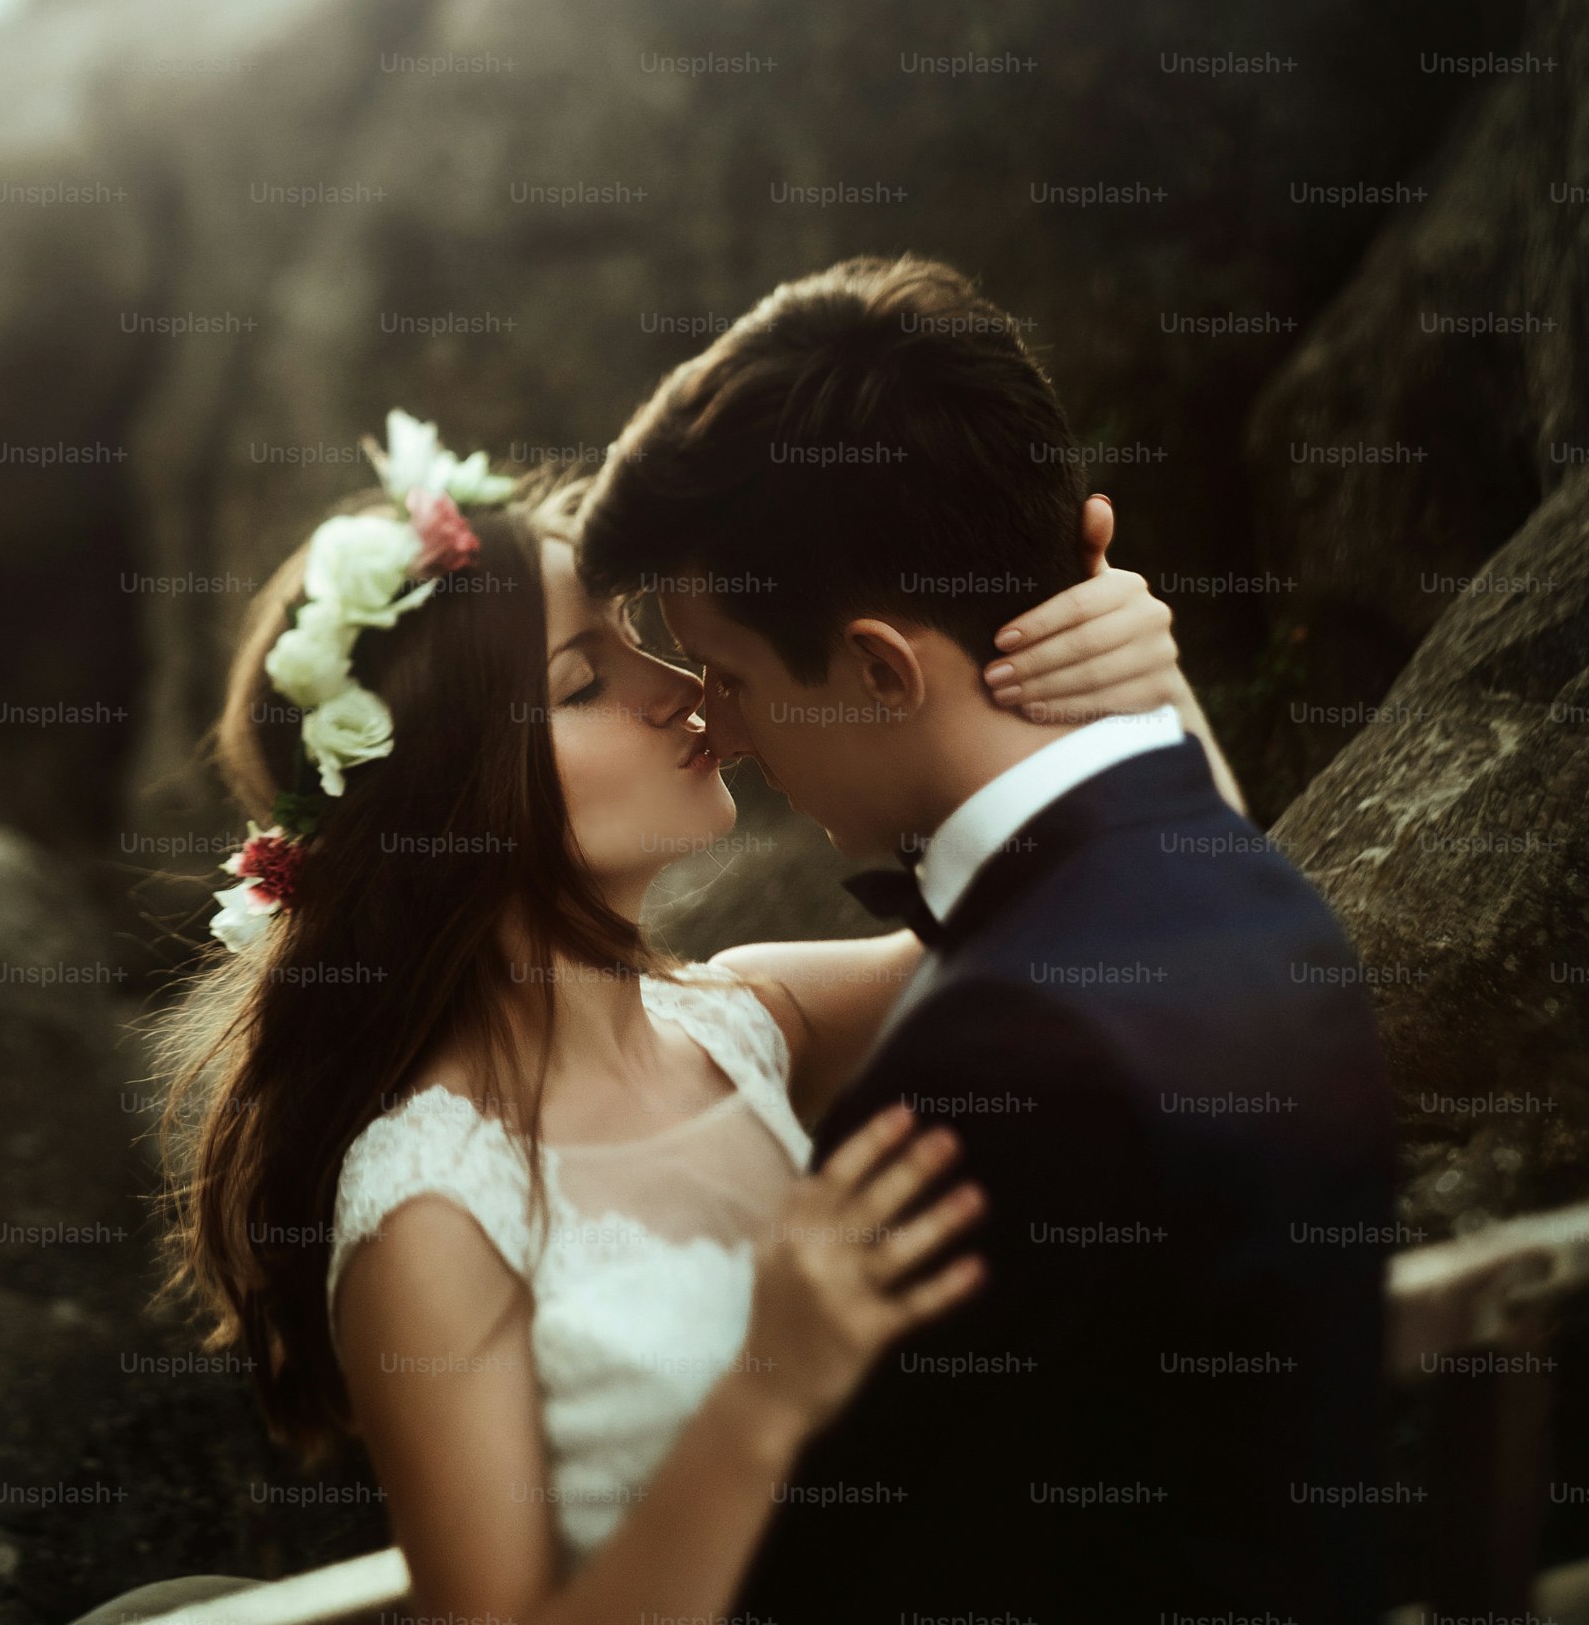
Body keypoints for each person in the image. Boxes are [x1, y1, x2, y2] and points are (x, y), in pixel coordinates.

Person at [101, 389, 1234, 1625]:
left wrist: (1134, 680)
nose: (677, 684)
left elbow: (1153, 939)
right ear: (449, 799)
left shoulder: (754, 1022)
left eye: (637, 636)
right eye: (584, 678)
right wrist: (765, 1395)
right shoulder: (430, 1208)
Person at [575, 254, 1400, 1624]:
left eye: (732, 676)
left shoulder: (997, 1059)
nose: (725, 729)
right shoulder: (1249, 885)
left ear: (879, 666)